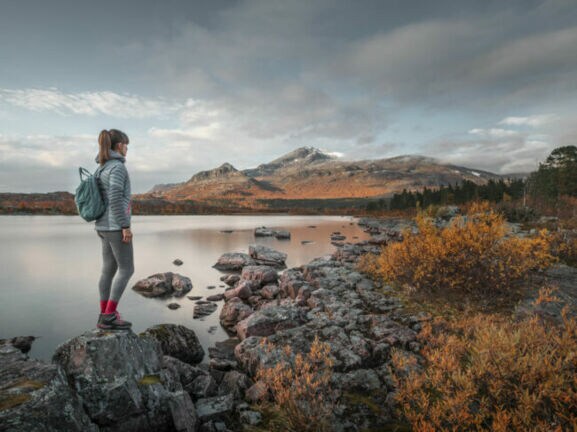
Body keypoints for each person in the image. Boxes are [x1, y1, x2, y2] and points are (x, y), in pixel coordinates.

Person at [94, 129, 134, 330]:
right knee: (127, 269)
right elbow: (116, 199)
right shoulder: (117, 167)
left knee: (108, 270)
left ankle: (104, 314)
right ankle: (109, 314)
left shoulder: (101, 168)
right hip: (115, 226)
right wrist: (125, 225)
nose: (127, 148)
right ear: (119, 146)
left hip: (102, 226)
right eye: (126, 145)